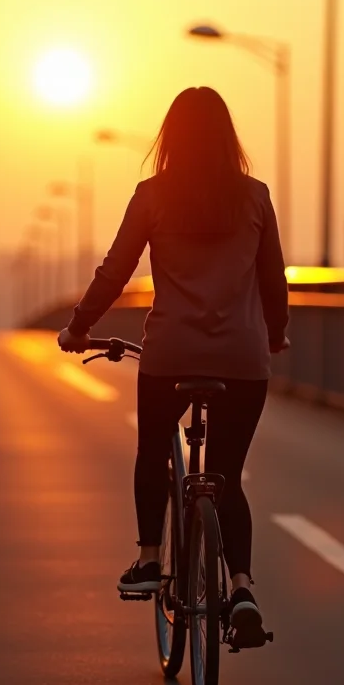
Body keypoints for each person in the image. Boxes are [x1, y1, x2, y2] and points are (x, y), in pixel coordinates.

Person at [58, 86, 289, 640]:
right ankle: (240, 588)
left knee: (152, 453)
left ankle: (149, 559)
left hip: (171, 354)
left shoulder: (152, 195)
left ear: (170, 138)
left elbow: (115, 271)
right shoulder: (254, 197)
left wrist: (80, 327)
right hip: (243, 357)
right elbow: (273, 281)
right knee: (227, 476)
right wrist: (274, 336)